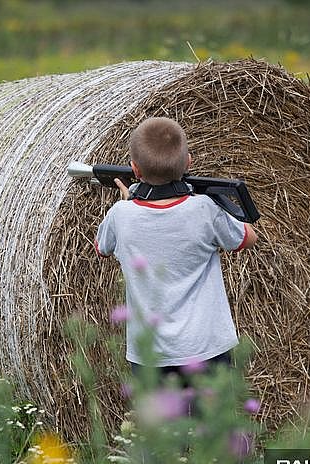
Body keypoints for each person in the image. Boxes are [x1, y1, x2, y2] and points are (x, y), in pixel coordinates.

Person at [94, 117, 258, 383]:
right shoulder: (205, 209)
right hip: (208, 348)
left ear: (135, 169)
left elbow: (101, 247)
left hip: (151, 354)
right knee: (215, 412)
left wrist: (128, 202)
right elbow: (248, 238)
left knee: (159, 414)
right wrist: (215, 202)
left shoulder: (120, 214)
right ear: (188, 163)